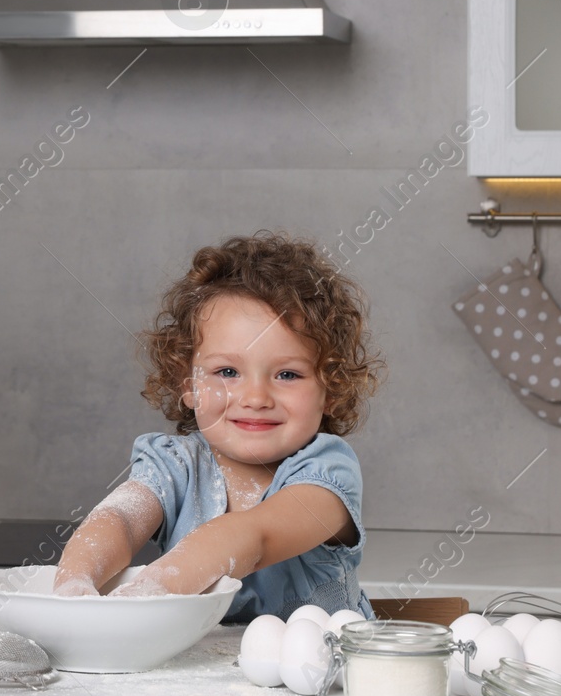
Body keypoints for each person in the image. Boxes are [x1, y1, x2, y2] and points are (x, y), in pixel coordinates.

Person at [54, 233, 382, 620]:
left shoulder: (326, 472)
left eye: (288, 374)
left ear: (330, 389)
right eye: (227, 371)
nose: (256, 397)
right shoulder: (174, 463)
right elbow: (119, 519)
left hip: (315, 675)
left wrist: (150, 594)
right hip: (194, 679)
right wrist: (74, 588)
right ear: (189, 386)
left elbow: (253, 537)